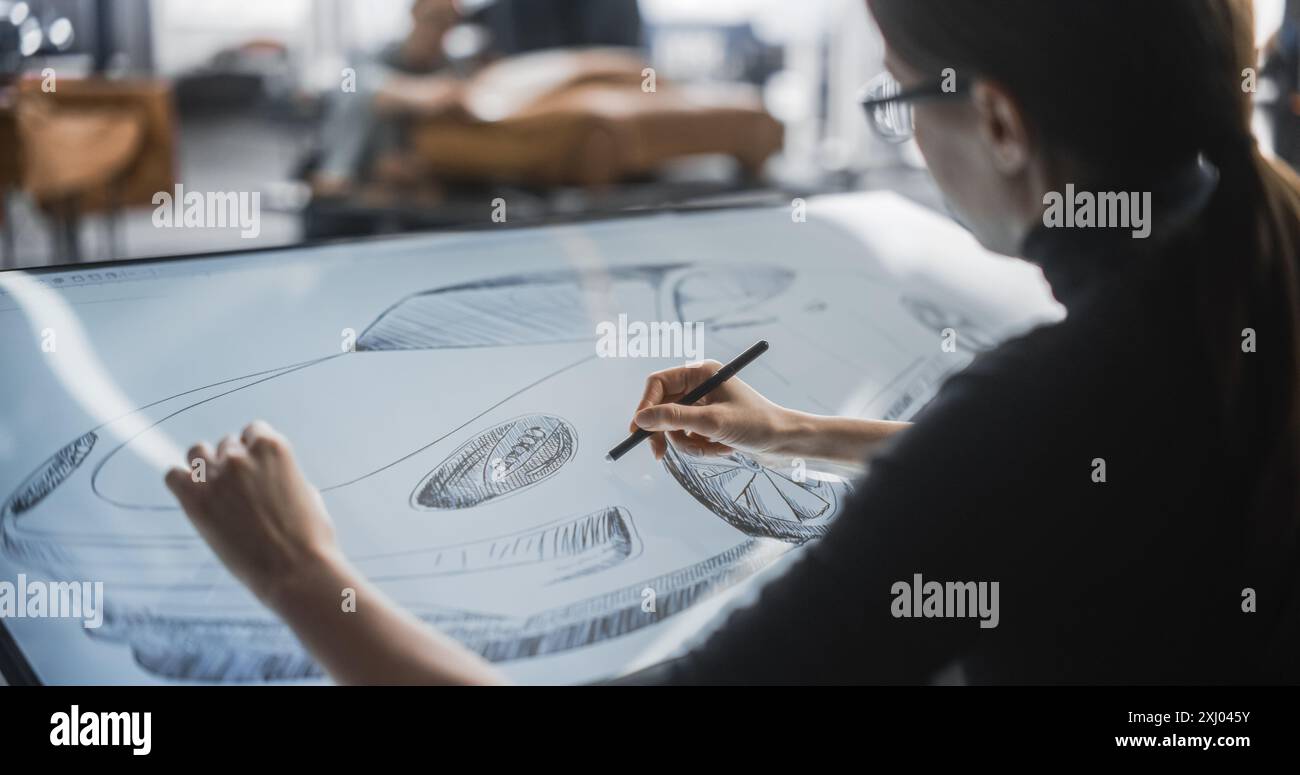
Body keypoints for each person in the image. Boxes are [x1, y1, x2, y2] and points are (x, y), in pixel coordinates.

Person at [165, 0, 1300, 684]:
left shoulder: (1051, 403)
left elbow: (1030, 453)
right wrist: (798, 431)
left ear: (999, 123)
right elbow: (1086, 464)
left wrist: (301, 575)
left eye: (900, 99)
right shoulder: (1240, 241)